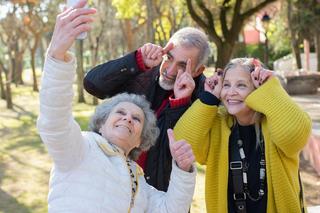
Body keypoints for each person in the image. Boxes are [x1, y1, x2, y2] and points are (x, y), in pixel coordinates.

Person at [37, 1, 196, 212]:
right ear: (101, 124)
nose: (128, 118)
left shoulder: (139, 183)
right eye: (120, 112)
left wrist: (183, 170)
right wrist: (57, 55)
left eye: (137, 119)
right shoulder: (80, 149)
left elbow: (170, 209)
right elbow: (54, 121)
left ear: (142, 140)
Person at [173, 58, 312, 213]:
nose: (231, 92)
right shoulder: (218, 123)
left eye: (241, 85)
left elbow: (294, 135)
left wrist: (270, 88)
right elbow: (182, 142)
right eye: (226, 85)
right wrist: (209, 98)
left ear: (257, 89)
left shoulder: (275, 122)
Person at [83, 23, 210, 191]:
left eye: (181, 65)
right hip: (115, 186)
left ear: (197, 70)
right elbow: (92, 84)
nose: (170, 70)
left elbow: (174, 151)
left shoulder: (203, 98)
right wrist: (137, 60)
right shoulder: (143, 70)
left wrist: (180, 103)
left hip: (162, 196)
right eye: (169, 57)